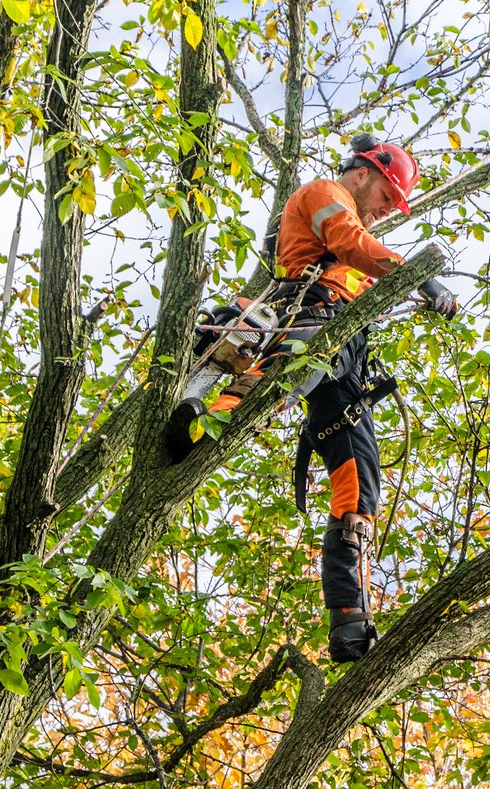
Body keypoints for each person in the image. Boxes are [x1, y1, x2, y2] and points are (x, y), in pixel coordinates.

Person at [166, 134, 458, 663]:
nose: (384, 212)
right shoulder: (328, 193)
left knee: (359, 478)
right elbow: (348, 241)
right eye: (387, 199)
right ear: (364, 173)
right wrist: (418, 277)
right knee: (280, 384)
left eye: (394, 207)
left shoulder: (357, 226)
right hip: (311, 316)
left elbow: (358, 251)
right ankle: (201, 419)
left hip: (344, 349)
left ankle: (349, 618)